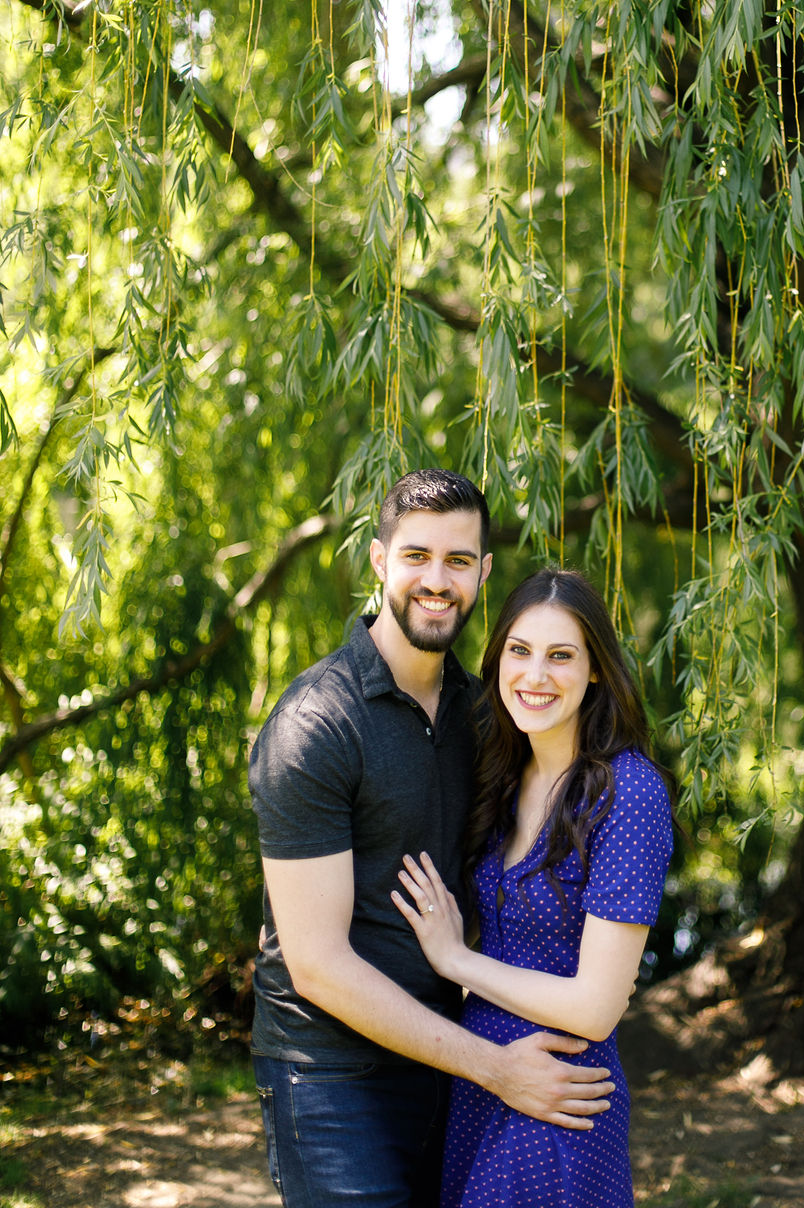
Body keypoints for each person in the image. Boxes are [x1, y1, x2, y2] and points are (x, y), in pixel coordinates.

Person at [248, 471, 615, 1208]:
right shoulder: (316, 726)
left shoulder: (488, 717)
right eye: (416, 556)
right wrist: (494, 1066)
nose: (436, 581)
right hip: (332, 1076)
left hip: (451, 1059)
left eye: (457, 561)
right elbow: (316, 966)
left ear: (481, 574)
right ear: (380, 561)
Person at [393, 567, 674, 1207]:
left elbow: (596, 1006)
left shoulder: (627, 794)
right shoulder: (503, 774)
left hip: (557, 1102)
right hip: (480, 1091)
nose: (535, 676)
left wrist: (457, 959)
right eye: (519, 651)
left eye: (561, 656)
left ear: (596, 668)